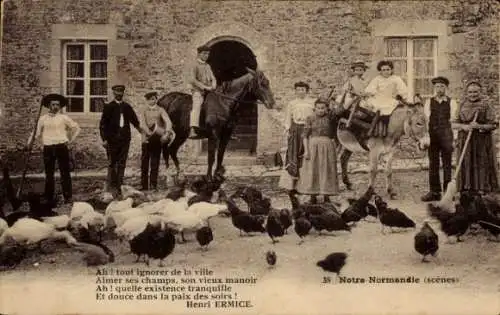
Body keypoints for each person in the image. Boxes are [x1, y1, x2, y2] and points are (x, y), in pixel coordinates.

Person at [27, 94, 81, 204]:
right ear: (49, 106)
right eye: (53, 104)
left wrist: (70, 141)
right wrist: (29, 143)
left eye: (57, 104)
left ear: (60, 106)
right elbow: (36, 133)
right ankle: (49, 197)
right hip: (48, 147)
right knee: (49, 173)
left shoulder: (63, 118)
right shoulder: (42, 119)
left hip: (61, 146)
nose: (55, 106)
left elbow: (77, 128)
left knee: (65, 172)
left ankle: (68, 197)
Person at [453, 81, 499, 195]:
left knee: (481, 163)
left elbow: (493, 124)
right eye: (470, 92)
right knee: (466, 162)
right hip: (465, 141)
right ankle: (466, 189)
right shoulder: (462, 104)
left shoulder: (485, 105)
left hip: (481, 141)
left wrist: (479, 126)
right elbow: (454, 123)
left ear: (480, 92)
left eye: (475, 92)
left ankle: (482, 190)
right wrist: (464, 126)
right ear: (466, 93)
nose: (472, 94)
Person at [100, 85, 145, 198]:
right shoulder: (108, 107)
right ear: (113, 92)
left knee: (122, 163)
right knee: (112, 163)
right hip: (112, 140)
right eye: (117, 91)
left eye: (121, 92)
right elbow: (102, 125)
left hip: (124, 140)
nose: (119, 94)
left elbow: (135, 121)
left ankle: (119, 185)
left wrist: (143, 132)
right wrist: (104, 139)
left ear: (123, 93)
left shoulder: (127, 107)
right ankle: (111, 186)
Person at [421, 77, 458, 202]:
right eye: (437, 86)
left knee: (447, 164)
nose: (439, 89)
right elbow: (426, 120)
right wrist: (426, 136)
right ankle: (434, 192)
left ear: (446, 88)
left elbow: (453, 120)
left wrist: (455, 138)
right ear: (434, 88)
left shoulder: (452, 102)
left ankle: (448, 192)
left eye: (442, 86)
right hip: (433, 135)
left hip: (447, 135)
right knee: (433, 163)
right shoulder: (429, 102)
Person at [296, 98, 341, 203]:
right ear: (314, 108)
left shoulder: (330, 119)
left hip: (327, 146)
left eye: (323, 108)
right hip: (313, 146)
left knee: (327, 169)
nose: (320, 110)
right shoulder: (310, 118)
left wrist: (336, 148)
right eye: (318, 108)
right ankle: (313, 196)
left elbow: (335, 134)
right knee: (313, 169)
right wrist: (306, 151)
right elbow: (305, 136)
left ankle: (326, 195)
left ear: (326, 109)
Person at [278, 81, 315, 197]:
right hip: (295, 130)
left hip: (308, 130)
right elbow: (288, 118)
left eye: (303, 90)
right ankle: (292, 185)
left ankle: (306, 185)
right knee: (293, 155)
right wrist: (288, 130)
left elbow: (314, 118)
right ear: (295, 91)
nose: (300, 92)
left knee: (307, 154)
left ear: (307, 91)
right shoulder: (292, 103)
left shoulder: (312, 103)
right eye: (298, 90)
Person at [140, 91, 174, 191]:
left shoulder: (160, 110)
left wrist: (167, 132)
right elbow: (142, 123)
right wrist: (148, 132)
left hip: (156, 140)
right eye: (150, 99)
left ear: (156, 99)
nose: (152, 101)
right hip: (146, 139)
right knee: (144, 163)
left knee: (155, 163)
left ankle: (153, 185)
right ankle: (144, 185)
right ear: (147, 100)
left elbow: (168, 121)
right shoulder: (143, 110)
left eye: (154, 99)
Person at [364, 60, 409, 135]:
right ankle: (376, 129)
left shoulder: (396, 79)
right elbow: (370, 89)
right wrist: (370, 93)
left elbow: (403, 90)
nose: (386, 72)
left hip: (390, 99)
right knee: (375, 108)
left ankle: (387, 129)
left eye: (388, 69)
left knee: (389, 109)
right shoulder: (377, 79)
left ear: (391, 70)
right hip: (378, 98)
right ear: (380, 71)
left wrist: (402, 97)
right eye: (383, 70)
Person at [188, 45, 217, 139]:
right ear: (199, 54)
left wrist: (214, 85)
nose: (206, 56)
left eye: (208, 54)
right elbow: (192, 80)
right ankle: (192, 129)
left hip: (209, 90)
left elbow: (213, 77)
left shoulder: (207, 66)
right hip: (198, 91)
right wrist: (204, 87)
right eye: (204, 53)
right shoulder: (194, 65)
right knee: (197, 105)